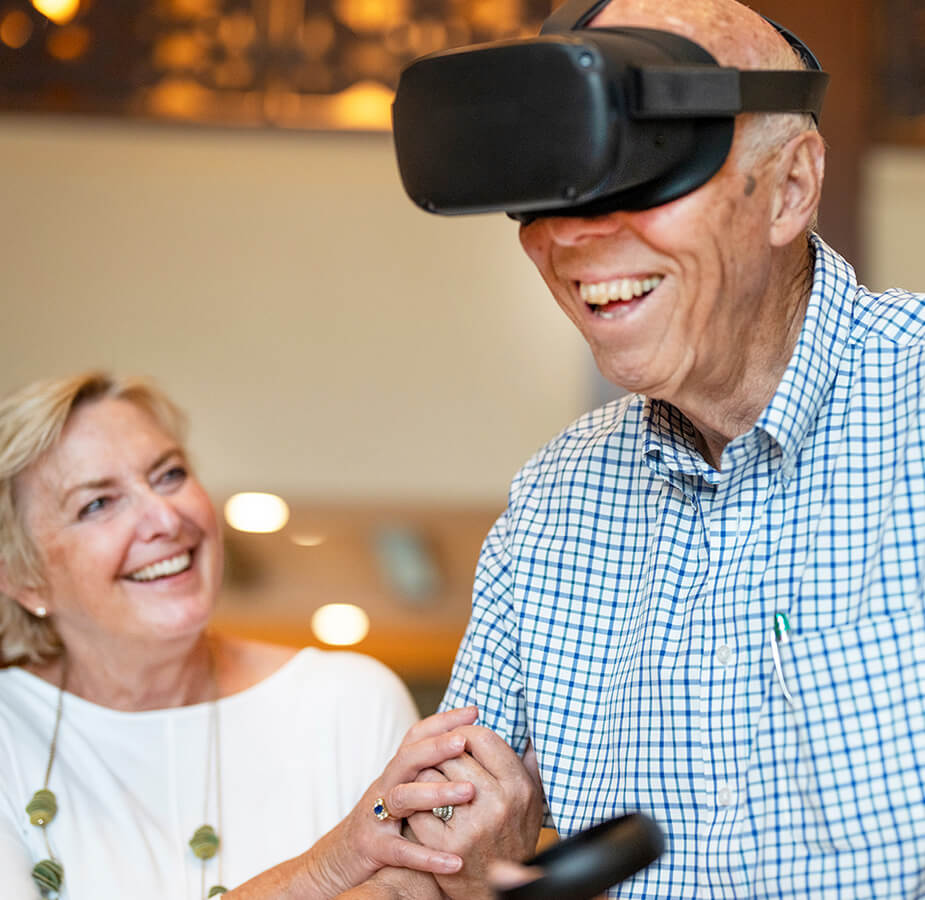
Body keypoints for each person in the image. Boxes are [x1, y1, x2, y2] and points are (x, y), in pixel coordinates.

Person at [412, 0, 925, 896]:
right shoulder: (552, 505)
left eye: (649, 171)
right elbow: (443, 838)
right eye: (551, 188)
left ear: (793, 188)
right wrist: (459, 854)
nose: (573, 234)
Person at [0, 370, 541, 900]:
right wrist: (327, 868)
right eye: (98, 503)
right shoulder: (9, 732)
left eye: (168, 474)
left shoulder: (348, 702)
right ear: (23, 578)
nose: (165, 517)